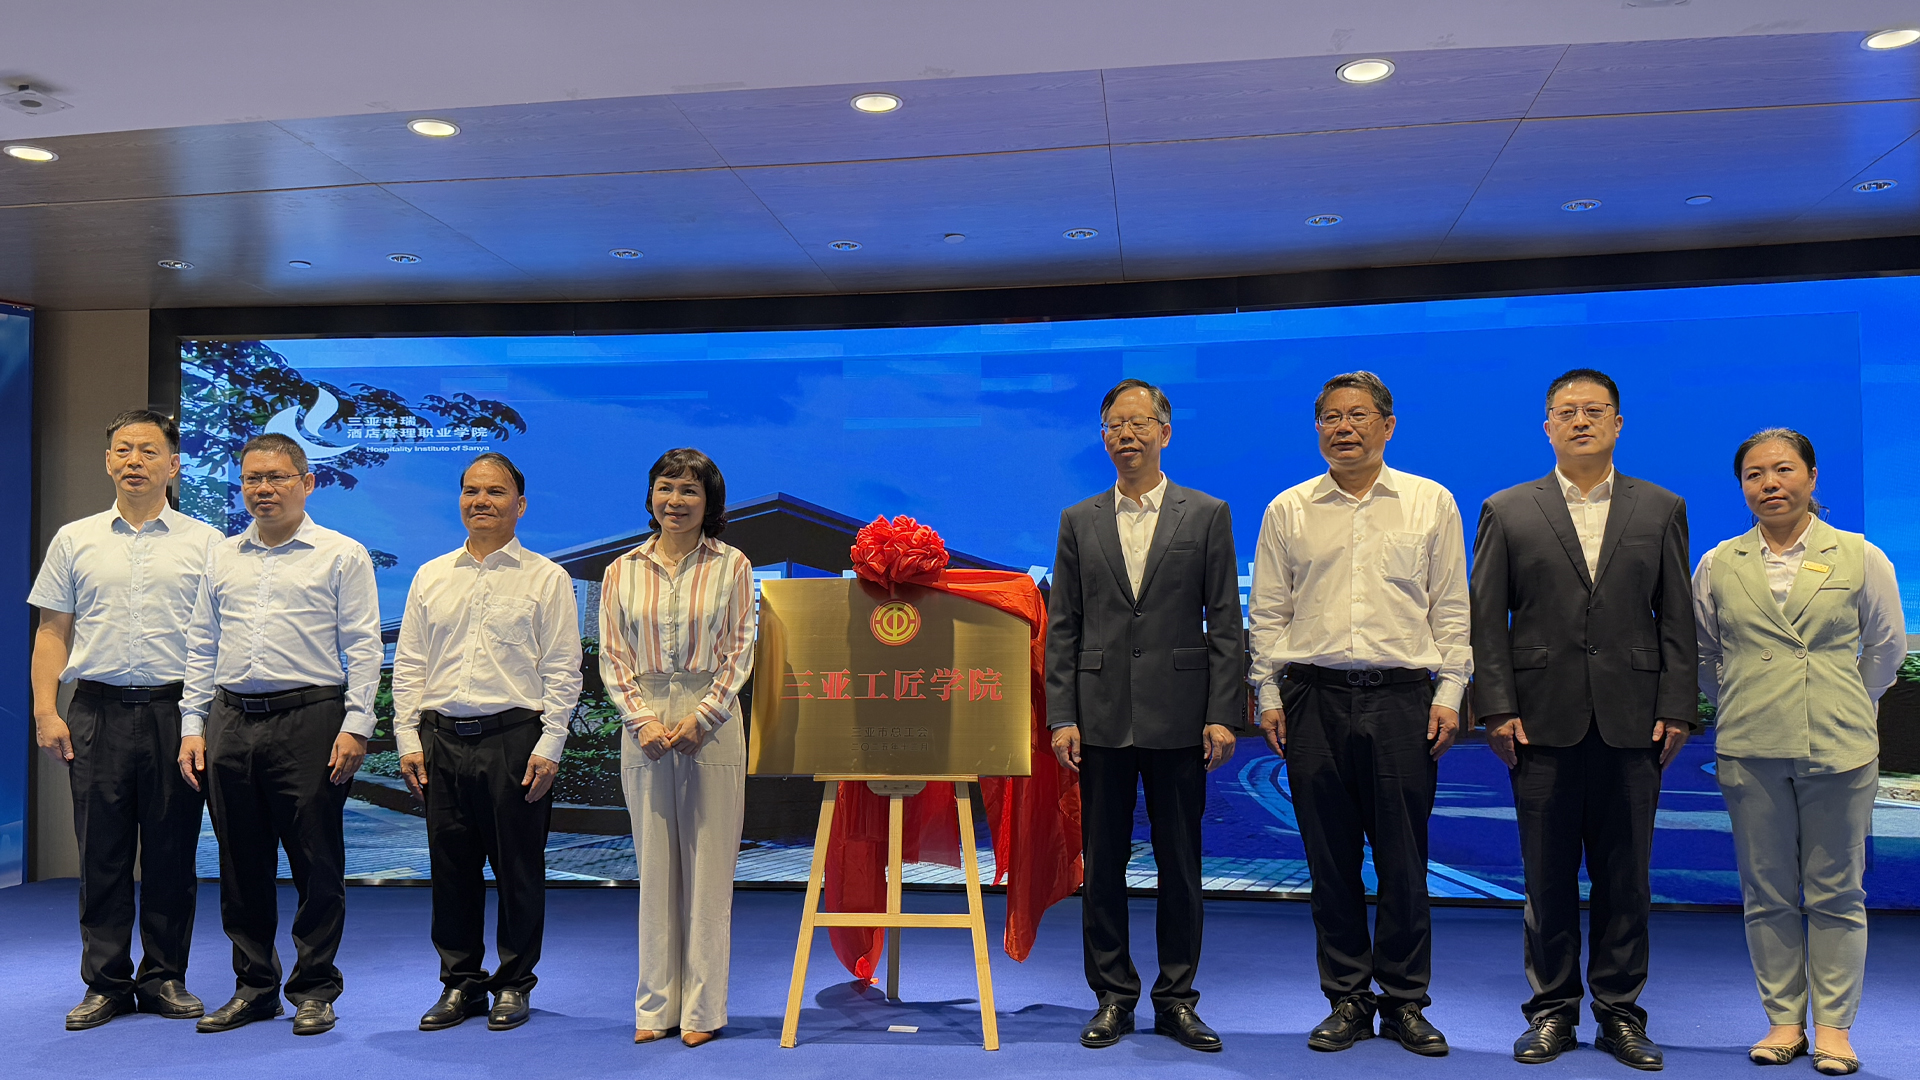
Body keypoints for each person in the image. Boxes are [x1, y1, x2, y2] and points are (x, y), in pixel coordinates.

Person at [1470, 370, 1695, 1070]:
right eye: (1565, 411)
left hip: (1635, 721)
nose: (1580, 421)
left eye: (1594, 410)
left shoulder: (1661, 507)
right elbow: (1487, 619)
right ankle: (1552, 1012)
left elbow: (1677, 619)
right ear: (1547, 426)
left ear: (1618, 423)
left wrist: (1676, 706)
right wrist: (1497, 706)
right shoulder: (1508, 509)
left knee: (1628, 880)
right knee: (1547, 877)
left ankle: (1621, 1015)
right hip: (1539, 721)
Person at [1247, 371, 1468, 1056]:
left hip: (1404, 700)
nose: (1344, 427)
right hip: (1312, 699)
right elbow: (1269, 613)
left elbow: (1451, 608)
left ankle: (1405, 1003)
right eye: (1331, 417)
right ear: (1318, 428)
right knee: (1330, 862)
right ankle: (1346, 997)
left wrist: (1451, 692)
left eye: (1359, 415)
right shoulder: (1288, 509)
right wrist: (1269, 693)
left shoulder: (1431, 502)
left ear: (1387, 426)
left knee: (1404, 860)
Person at [1695, 429, 1904, 1078]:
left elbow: (1887, 649)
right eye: (1754, 474)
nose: (1770, 484)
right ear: (1742, 487)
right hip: (1750, 744)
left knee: (1837, 891)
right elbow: (1706, 656)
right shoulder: (1718, 563)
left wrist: (1842, 699)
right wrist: (1749, 698)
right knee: (1767, 891)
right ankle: (1783, 1022)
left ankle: (1834, 1029)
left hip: (1839, 745)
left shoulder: (1861, 556)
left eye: (1783, 470)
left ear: (1812, 477)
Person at [1045, 378, 1241, 1053]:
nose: (1125, 435)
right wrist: (1061, 716)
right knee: (1102, 864)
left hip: (1181, 717)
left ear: (1165, 431)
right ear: (1103, 437)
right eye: (1113, 425)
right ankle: (1112, 996)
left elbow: (1225, 623)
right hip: (1098, 718)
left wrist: (1223, 713)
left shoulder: (1206, 513)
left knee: (1180, 863)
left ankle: (1177, 998)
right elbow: (1064, 627)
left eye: (1138, 423)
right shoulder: (1078, 519)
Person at [175, 432, 382, 1036]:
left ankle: (315, 989)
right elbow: (201, 644)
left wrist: (357, 725)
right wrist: (193, 723)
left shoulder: (342, 554)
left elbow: (364, 647)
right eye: (252, 479)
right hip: (230, 718)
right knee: (240, 863)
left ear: (306, 482)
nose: (263, 489)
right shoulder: (222, 555)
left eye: (276, 478)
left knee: (316, 861)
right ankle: (255, 987)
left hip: (310, 718)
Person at [28, 409, 222, 1030]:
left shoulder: (208, 543)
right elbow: (52, 632)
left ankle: (165, 978)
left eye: (148, 450)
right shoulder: (74, 538)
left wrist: (201, 721)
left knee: (171, 853)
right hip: (95, 711)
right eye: (122, 450)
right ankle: (106, 983)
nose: (134, 460)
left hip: (176, 713)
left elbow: (221, 637)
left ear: (174, 464)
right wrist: (45, 710)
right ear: (108, 461)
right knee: (102, 854)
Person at [391, 452, 582, 1032]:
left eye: (495, 492)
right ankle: (461, 985)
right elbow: (410, 663)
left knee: (518, 869)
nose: (481, 501)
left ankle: (514, 983)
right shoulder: (431, 575)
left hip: (514, 740)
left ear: (519, 505)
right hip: (441, 739)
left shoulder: (545, 577)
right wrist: (407, 736)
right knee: (451, 869)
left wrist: (550, 744)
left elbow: (563, 669)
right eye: (471, 490)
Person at [598, 448, 754, 1047]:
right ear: (651, 496)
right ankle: (655, 1005)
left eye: (690, 490)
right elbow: (612, 655)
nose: (676, 500)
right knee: (655, 867)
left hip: (712, 712)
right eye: (666, 487)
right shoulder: (622, 569)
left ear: (709, 502)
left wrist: (703, 716)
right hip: (643, 716)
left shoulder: (732, 564)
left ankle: (703, 1010)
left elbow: (740, 648)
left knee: (710, 870)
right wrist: (640, 719)